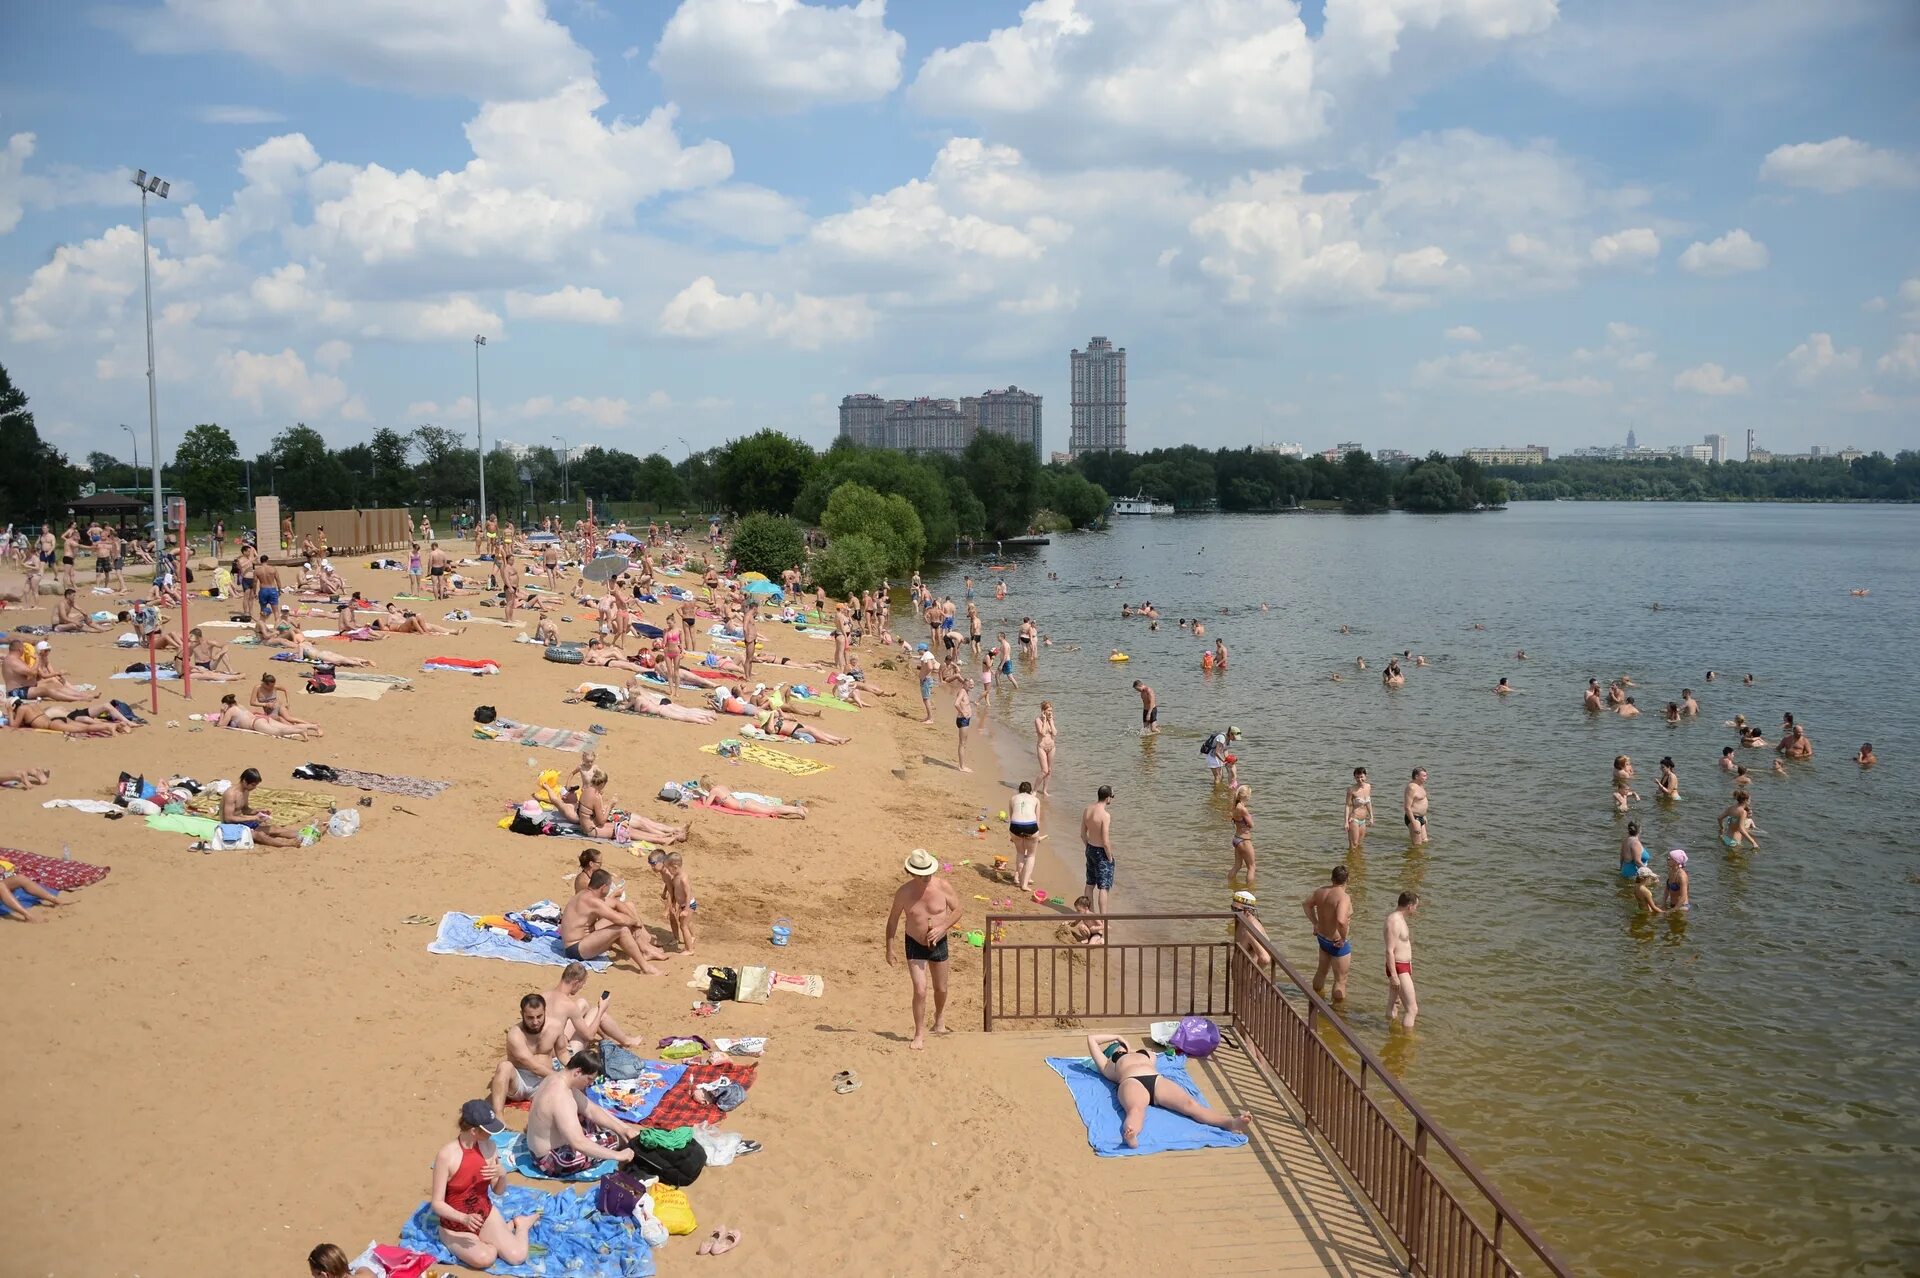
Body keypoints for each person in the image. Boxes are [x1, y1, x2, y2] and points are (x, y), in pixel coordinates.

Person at [1085, 1032, 1252, 1149]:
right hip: (1131, 1082)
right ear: (1109, 1053)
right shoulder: (1108, 1064)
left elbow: (1165, 1049)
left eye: (1119, 1045)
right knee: (1136, 1110)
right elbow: (1092, 1039)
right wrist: (1117, 1037)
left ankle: (1230, 1123)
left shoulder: (1147, 1054)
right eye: (1114, 1048)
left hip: (1156, 1080)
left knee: (1190, 1104)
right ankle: (1131, 1136)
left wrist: (1128, 1047)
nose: (1118, 1047)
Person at [429, 1101, 543, 1272]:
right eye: (488, 1130)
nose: (492, 1134)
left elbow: (498, 1191)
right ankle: (447, 1235)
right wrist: (463, 1218)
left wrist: (502, 1175)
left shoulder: (490, 1147)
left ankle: (520, 1224)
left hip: (484, 1213)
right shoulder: (447, 1156)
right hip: (456, 1224)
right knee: (486, 1257)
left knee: (517, 1256)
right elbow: (437, 1203)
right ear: (474, 1131)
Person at [885, 848, 961, 1050]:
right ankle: (919, 1033)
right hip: (914, 942)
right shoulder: (904, 892)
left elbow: (958, 910)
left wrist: (942, 927)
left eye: (929, 872)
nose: (927, 876)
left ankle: (939, 1017)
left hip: (939, 942)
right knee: (920, 990)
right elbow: (892, 920)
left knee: (941, 988)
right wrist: (889, 947)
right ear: (912, 873)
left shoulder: (943, 886)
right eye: (922, 873)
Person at [525, 1048, 640, 1176]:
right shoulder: (562, 1098)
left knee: (593, 1118)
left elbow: (591, 1109)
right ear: (578, 1072)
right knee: (616, 1138)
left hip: (537, 1150)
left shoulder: (556, 1078)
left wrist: (623, 1128)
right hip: (552, 1160)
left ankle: (616, 1133)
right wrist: (618, 1155)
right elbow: (578, 1142)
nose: (590, 1084)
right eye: (589, 1079)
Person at [559, 870, 667, 974]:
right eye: (609, 886)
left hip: (586, 938)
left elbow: (616, 903)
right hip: (575, 948)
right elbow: (619, 919)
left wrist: (634, 922)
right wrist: (635, 923)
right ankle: (645, 968)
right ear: (603, 887)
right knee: (622, 929)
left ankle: (645, 949)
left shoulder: (588, 893)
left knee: (624, 915)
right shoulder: (592, 900)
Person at [488, 992, 569, 1113]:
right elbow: (532, 1066)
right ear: (522, 1014)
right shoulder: (515, 1034)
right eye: (530, 1018)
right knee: (504, 1066)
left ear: (545, 1012)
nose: (535, 1022)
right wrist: (560, 1077)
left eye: (539, 1016)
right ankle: (498, 1115)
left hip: (543, 1081)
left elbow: (562, 1052)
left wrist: (574, 1068)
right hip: (519, 1081)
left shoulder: (555, 1027)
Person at [541, 961, 645, 1052]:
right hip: (561, 1055)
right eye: (582, 984)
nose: (581, 987)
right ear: (576, 983)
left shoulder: (543, 996)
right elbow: (589, 1036)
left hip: (544, 1046)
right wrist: (601, 1010)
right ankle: (626, 1041)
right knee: (597, 1012)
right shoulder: (569, 1005)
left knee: (583, 1003)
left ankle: (606, 1036)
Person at [1302, 865, 1353, 1001]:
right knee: (1340, 980)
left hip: (1322, 939)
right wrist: (1343, 938)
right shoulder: (1344, 897)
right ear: (1347, 879)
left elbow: (1306, 904)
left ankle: (1316, 1000)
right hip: (1337, 942)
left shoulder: (1321, 891)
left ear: (1332, 878)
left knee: (1321, 971)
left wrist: (1316, 923)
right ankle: (1338, 1013)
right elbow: (1341, 920)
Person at [221, 766, 303, 845]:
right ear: (244, 781)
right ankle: (289, 844)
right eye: (253, 785)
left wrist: (259, 811)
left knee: (274, 829)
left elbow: (245, 810)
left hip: (244, 822)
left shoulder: (245, 791)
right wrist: (254, 818)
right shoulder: (231, 794)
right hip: (232, 826)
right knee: (260, 835)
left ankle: (303, 836)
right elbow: (228, 818)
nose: (254, 788)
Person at [648, 849, 697, 955]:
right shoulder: (671, 873)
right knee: (685, 923)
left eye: (653, 864)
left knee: (682, 924)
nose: (651, 867)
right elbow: (669, 885)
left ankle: (689, 948)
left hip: (684, 903)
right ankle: (688, 941)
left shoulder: (677, 876)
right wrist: (664, 892)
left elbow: (680, 892)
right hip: (682, 903)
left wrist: (671, 907)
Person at [1384, 892, 1420, 1029]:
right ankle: (1408, 1039)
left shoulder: (1399, 919)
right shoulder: (1394, 921)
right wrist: (1394, 976)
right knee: (1412, 1009)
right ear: (1410, 906)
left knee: (1394, 1003)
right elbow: (1389, 950)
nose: (1415, 910)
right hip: (1398, 968)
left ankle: (1391, 1032)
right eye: (1416, 907)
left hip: (1402, 966)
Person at [1081, 784, 1117, 915]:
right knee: (1103, 887)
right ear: (1108, 798)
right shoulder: (1105, 815)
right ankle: (1103, 918)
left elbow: (1083, 834)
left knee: (1090, 883)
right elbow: (1105, 841)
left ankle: (1089, 913)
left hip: (1090, 848)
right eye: (1111, 797)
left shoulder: (1087, 810)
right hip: (1101, 852)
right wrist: (1110, 857)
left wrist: (1088, 847)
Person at [1008, 781, 1041, 892]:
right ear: (1030, 791)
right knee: (1031, 855)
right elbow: (1037, 820)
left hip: (1015, 826)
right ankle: (1024, 884)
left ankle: (1019, 879)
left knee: (1020, 853)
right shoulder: (1035, 799)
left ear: (1019, 790)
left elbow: (1011, 816)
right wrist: (1037, 835)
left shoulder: (1013, 799)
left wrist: (1013, 835)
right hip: (1030, 826)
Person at [1229, 784, 1256, 886]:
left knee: (1237, 866)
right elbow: (1251, 825)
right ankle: (1250, 890)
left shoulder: (1235, 806)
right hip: (1244, 840)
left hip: (1236, 838)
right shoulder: (1243, 809)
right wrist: (1250, 816)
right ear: (1246, 796)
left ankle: (1230, 884)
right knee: (1251, 867)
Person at [1033, 700, 1057, 796]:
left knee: (1049, 770)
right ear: (1043, 711)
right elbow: (1042, 733)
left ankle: (1044, 790)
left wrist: (1050, 722)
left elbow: (1054, 733)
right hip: (1042, 747)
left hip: (1051, 747)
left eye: (1051, 710)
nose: (1050, 712)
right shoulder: (1038, 720)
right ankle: (1034, 790)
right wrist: (1044, 720)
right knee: (1044, 771)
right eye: (1048, 710)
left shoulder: (1051, 720)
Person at [1403, 768, 1429, 845]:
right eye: (1424, 776)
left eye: (1426, 775)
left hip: (1421, 817)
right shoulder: (1411, 788)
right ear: (1417, 776)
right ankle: (1413, 857)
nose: (1426, 778)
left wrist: (1424, 816)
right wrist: (1413, 822)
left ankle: (1419, 857)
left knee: (1425, 841)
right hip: (1414, 817)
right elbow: (1407, 807)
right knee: (1417, 845)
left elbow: (1421, 802)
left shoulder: (1421, 785)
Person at [953, 679, 974, 774]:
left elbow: (964, 702)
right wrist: (963, 713)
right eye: (970, 684)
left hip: (965, 720)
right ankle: (961, 766)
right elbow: (956, 704)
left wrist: (972, 703)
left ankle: (962, 764)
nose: (971, 685)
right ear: (964, 684)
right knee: (962, 743)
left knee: (963, 743)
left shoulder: (965, 691)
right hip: (963, 720)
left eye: (972, 684)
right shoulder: (962, 691)